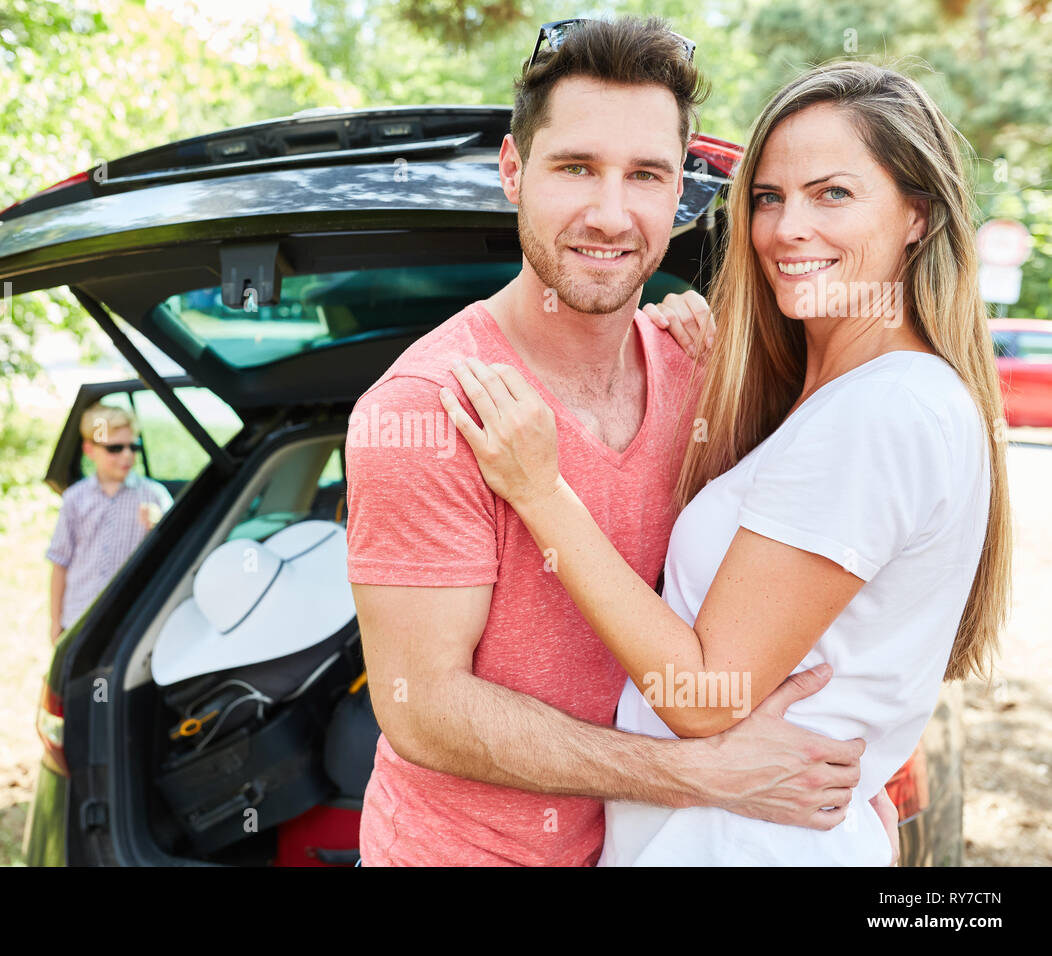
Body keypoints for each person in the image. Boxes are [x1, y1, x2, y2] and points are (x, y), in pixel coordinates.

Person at [345, 16, 890, 867]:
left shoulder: (698, 370)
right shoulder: (429, 408)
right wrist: (697, 776)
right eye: (576, 168)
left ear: (680, 192)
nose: (610, 214)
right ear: (513, 170)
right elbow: (426, 710)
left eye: (645, 175)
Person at [440, 58, 1011, 865]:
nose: (787, 229)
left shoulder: (882, 411)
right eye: (769, 198)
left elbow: (705, 695)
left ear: (917, 215)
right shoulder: (846, 400)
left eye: (832, 194)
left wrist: (541, 492)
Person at [47, 403, 173, 645]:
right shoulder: (75, 499)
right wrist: (55, 621)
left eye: (132, 447)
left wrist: (158, 529)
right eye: (115, 448)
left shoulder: (154, 496)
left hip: (131, 618)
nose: (127, 455)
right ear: (89, 450)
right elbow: (60, 562)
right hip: (80, 616)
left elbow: (175, 556)